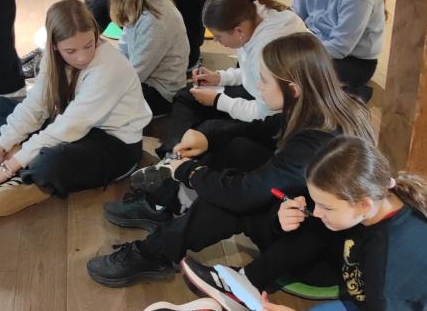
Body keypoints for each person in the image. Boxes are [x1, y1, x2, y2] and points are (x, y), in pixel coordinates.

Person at [136, 137, 427, 311]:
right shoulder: (375, 205)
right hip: (379, 309)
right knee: (314, 226)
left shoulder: (393, 260)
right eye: (315, 202)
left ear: (363, 204)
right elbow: (327, 222)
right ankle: (244, 282)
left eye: (326, 207)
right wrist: (284, 218)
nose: (318, 211)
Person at [86, 32, 374, 286]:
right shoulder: (325, 107)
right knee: (234, 145)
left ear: (293, 89)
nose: (259, 85)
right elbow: (263, 129)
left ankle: (153, 253)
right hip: (307, 222)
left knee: (230, 204)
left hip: (316, 253)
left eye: (265, 80)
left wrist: (189, 172)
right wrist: (208, 137)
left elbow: (243, 194)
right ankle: (166, 203)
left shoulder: (313, 142)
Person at [0, 0, 151, 216]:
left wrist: (6, 168)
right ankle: (16, 159)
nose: (82, 57)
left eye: (89, 44)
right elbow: (35, 107)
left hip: (115, 144)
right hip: (72, 126)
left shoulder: (107, 69)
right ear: (54, 46)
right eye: (70, 50)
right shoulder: (51, 57)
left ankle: (26, 176)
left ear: (96, 34)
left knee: (52, 161)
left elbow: (68, 128)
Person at [155, 0, 308, 156]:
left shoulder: (266, 49)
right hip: (264, 100)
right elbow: (252, 73)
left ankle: (177, 154)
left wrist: (218, 101)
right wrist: (220, 78)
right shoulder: (253, 18)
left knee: (211, 132)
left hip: (278, 118)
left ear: (238, 31)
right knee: (187, 97)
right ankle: (175, 153)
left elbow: (265, 114)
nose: (215, 41)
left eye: (219, 37)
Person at [99, 0, 189, 115]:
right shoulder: (133, 1)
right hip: (141, 81)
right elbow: (124, 49)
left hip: (160, 95)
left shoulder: (154, 19)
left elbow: (135, 74)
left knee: (96, 104)